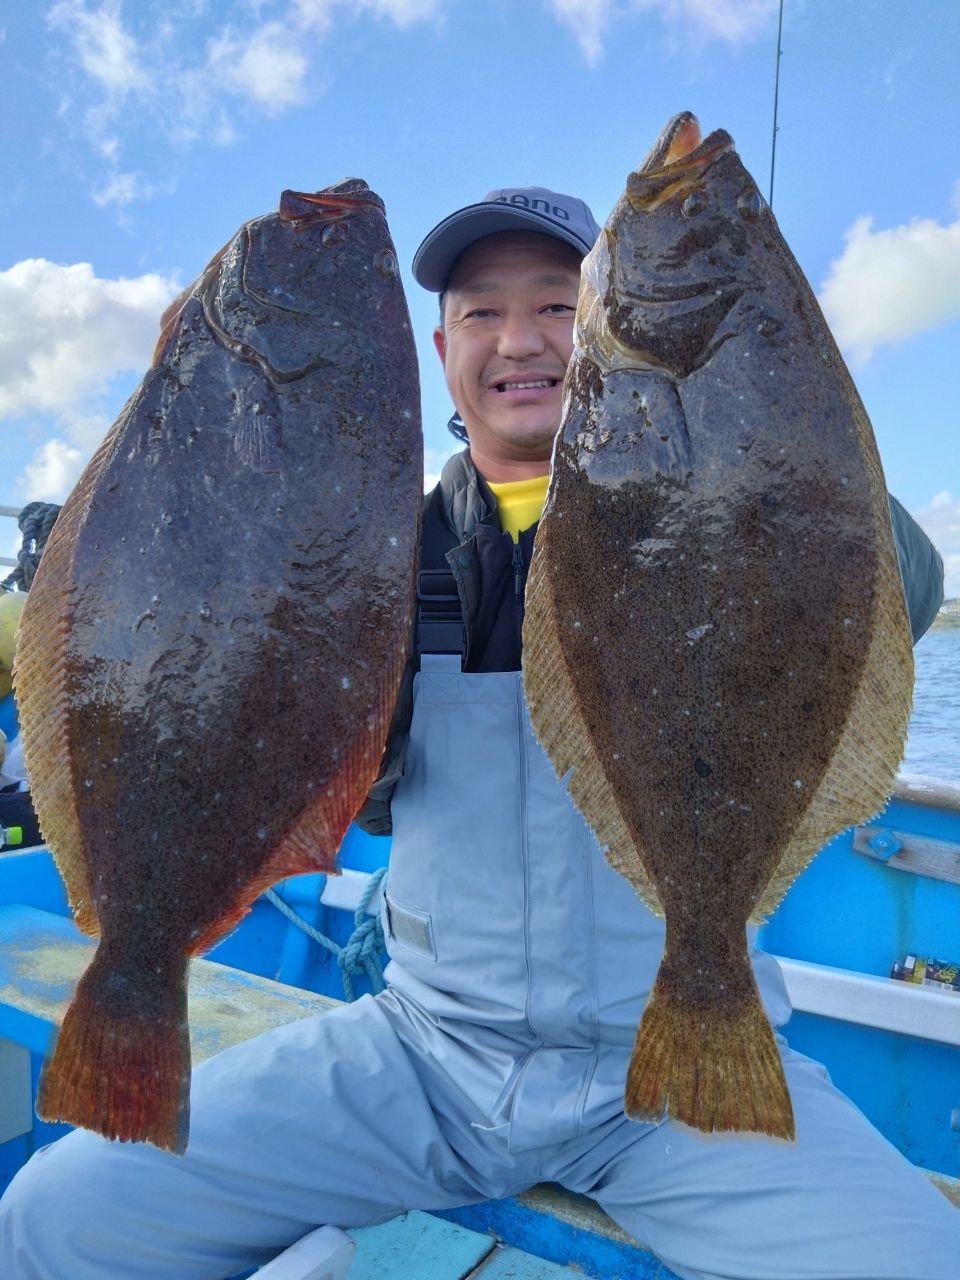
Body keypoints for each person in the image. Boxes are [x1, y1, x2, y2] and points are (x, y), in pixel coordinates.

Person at [0, 186, 956, 1280]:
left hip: (677, 1077)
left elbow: (906, 590)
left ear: (602, 319)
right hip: (424, 1057)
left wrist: (777, 407)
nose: (520, 339)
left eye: (556, 304)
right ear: (440, 347)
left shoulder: (722, 503)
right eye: (483, 312)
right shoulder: (375, 554)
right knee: (55, 1217)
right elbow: (327, 768)